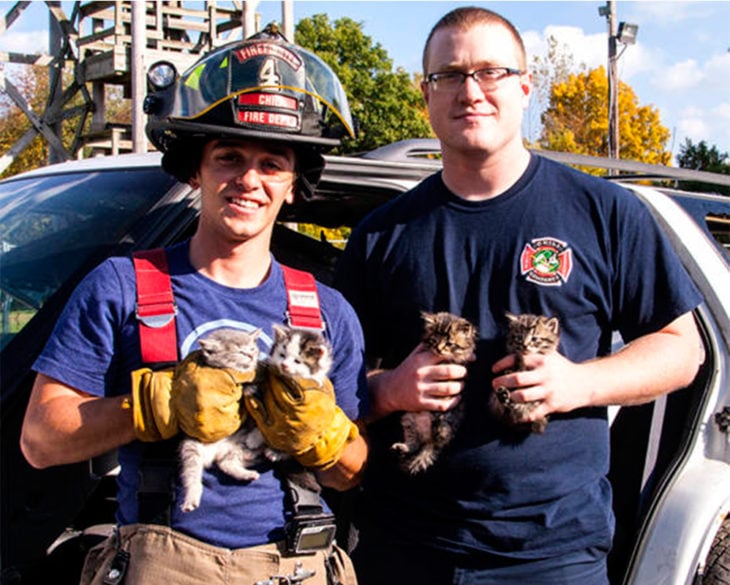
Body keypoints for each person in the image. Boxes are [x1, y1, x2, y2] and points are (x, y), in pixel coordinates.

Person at [334, 6, 703, 585]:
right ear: (425, 94)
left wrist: (578, 382)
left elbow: (682, 350)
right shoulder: (383, 234)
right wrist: (388, 390)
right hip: (402, 547)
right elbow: (333, 381)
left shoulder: (604, 212)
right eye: (449, 75)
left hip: (550, 553)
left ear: (525, 85)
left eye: (491, 72)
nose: (470, 91)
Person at [21, 26, 367, 585]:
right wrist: (153, 405)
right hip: (167, 562)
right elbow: (40, 438)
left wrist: (325, 436)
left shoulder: (326, 313)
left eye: (272, 163)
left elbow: (351, 475)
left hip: (299, 563)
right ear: (195, 168)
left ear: (294, 184)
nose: (248, 180)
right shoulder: (123, 286)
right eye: (228, 157)